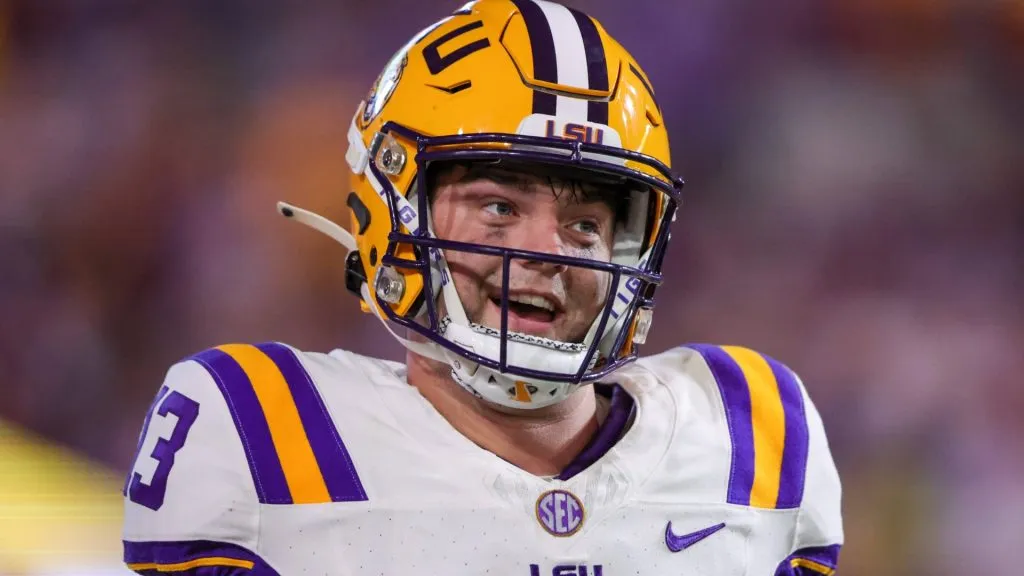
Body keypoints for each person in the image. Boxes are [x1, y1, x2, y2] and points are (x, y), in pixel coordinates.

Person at [121, 1, 843, 574]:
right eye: (500, 207)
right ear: (393, 209)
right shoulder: (264, 437)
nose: (546, 252)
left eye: (586, 224)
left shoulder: (751, 437)